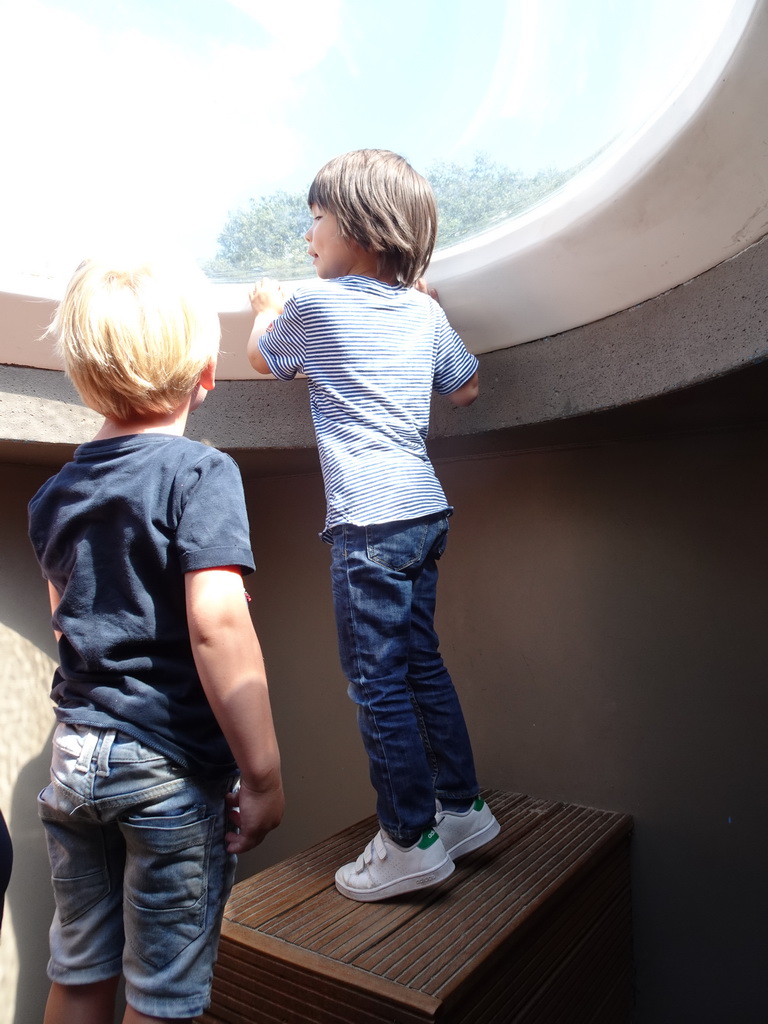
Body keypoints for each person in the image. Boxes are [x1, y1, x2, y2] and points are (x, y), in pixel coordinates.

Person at [28, 254, 284, 1024]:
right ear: (205, 374)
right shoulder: (201, 473)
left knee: (78, 970)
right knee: (162, 990)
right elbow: (217, 621)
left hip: (74, 758)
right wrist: (263, 776)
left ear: (82, 378)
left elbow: (63, 612)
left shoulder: (55, 492)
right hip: (166, 771)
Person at [246, 149, 498, 903]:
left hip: (368, 521)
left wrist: (264, 306)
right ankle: (463, 812)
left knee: (376, 683)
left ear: (358, 228)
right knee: (421, 664)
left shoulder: (315, 307)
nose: (308, 237)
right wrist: (423, 305)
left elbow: (263, 359)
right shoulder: (424, 310)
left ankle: (408, 841)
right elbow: (468, 390)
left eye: (316, 219)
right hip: (426, 508)